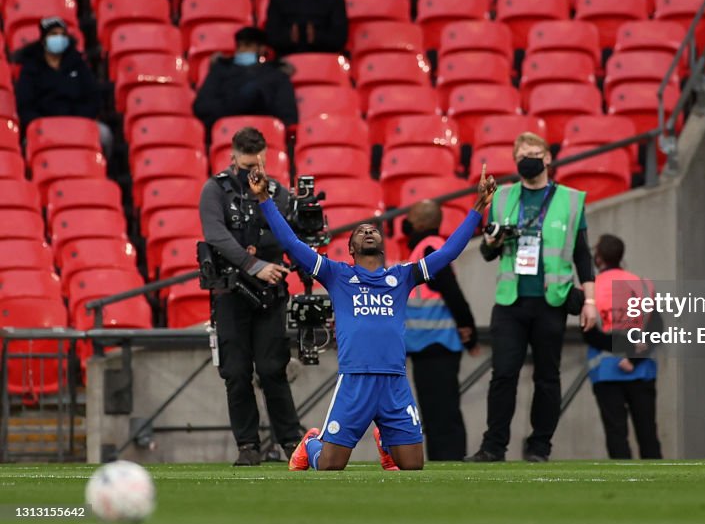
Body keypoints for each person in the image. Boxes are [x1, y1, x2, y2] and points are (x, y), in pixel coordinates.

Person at [254, 161, 497, 472]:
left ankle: (386, 441)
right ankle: (310, 443)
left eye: (373, 230)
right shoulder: (335, 273)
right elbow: (291, 243)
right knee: (329, 467)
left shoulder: (403, 276)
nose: (368, 231)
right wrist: (264, 199)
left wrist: (478, 206)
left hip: (394, 381)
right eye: (361, 232)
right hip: (355, 379)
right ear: (352, 249)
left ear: (382, 245)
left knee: (412, 467)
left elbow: (448, 253)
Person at [466, 132, 597, 463]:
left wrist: (591, 301)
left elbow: (583, 255)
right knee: (503, 374)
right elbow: (486, 252)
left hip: (551, 300)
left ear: (548, 157)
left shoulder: (570, 200)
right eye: (521, 154)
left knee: (547, 377)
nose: (528, 158)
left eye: (534, 152)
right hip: (511, 301)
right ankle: (493, 446)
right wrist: (493, 240)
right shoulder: (503, 197)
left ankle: (540, 446)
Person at [198, 127, 303, 466]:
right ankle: (248, 445)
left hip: (271, 292)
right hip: (231, 291)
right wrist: (253, 264)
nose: (250, 173)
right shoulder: (215, 189)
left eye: (255, 165)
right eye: (244, 168)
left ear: (266, 158)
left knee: (274, 369)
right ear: (232, 157)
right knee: (236, 371)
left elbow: (288, 235)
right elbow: (215, 234)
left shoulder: (277, 193)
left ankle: (291, 442)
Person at [403, 200, 480, 461]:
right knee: (435, 413)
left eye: (411, 216)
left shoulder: (429, 248)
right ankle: (442, 459)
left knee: (442, 413)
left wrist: (468, 330)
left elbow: (452, 292)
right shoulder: (424, 249)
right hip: (427, 346)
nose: (406, 222)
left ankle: (450, 461)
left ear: (422, 222)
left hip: (437, 344)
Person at [582, 234, 662, 460]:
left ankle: (625, 486)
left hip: (606, 372)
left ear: (598, 258)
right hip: (641, 370)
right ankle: (660, 487)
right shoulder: (642, 285)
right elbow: (656, 328)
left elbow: (589, 333)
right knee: (648, 434)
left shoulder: (591, 289)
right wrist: (634, 356)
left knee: (616, 435)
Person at [13, 17, 113, 156]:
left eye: (62, 34)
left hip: (77, 122)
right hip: (44, 126)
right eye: (54, 34)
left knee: (104, 135)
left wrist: (78, 119)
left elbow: (93, 97)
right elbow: (25, 105)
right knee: (27, 144)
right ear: (44, 39)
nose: (59, 38)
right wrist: (43, 124)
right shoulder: (31, 68)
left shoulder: (78, 64)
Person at [193, 27, 297, 129]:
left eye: (248, 46)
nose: (242, 50)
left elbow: (287, 116)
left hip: (264, 133)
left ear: (262, 49)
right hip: (227, 132)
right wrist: (238, 103)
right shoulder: (220, 70)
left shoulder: (276, 75)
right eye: (239, 46)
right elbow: (202, 107)